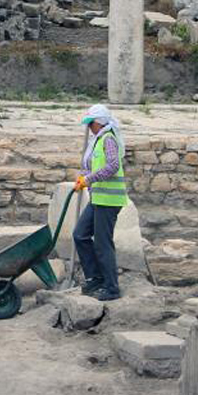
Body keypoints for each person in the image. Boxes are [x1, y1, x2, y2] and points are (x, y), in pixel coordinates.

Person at [72, 104, 126, 301]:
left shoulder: (108, 139)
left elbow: (113, 166)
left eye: (91, 123)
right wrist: (83, 178)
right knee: (80, 235)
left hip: (109, 200)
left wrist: (89, 179)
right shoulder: (97, 140)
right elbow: (93, 166)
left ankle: (111, 287)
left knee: (103, 243)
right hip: (98, 198)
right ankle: (95, 277)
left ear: (99, 122)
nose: (89, 127)